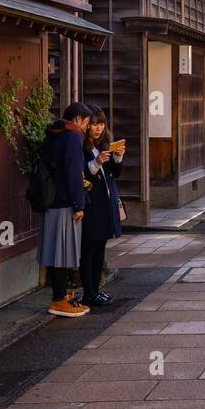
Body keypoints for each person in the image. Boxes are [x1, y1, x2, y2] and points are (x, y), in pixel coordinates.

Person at [37, 103, 92, 317]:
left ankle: (61, 295)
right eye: (87, 123)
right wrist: (79, 204)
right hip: (64, 202)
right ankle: (58, 300)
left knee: (55, 250)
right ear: (78, 119)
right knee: (61, 251)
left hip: (52, 199)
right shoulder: (71, 137)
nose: (86, 128)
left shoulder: (55, 133)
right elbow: (74, 173)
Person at [78, 105, 125, 306]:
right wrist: (96, 162)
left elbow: (116, 173)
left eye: (101, 124)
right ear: (87, 126)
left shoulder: (104, 144)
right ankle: (88, 292)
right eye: (94, 124)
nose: (98, 128)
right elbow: (82, 174)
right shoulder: (82, 147)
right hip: (91, 204)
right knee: (88, 248)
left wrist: (118, 157)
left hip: (106, 203)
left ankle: (96, 291)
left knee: (100, 248)